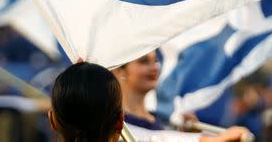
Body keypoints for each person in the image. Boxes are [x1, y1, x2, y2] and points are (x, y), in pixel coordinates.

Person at [50, 59, 247, 142]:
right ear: (120, 121)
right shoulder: (135, 129)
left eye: (155, 60)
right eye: (144, 61)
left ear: (52, 120)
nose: (154, 67)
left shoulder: (162, 120)